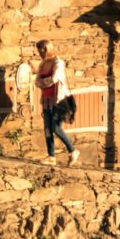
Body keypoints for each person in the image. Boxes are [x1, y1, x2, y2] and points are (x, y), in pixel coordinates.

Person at [36, 39, 80, 167]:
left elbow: (55, 78)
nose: (40, 55)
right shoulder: (42, 64)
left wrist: (43, 82)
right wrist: (44, 81)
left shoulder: (58, 63)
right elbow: (36, 81)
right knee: (48, 130)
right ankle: (51, 157)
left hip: (58, 100)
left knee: (56, 128)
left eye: (41, 52)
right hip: (46, 100)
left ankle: (73, 151)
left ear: (47, 50)